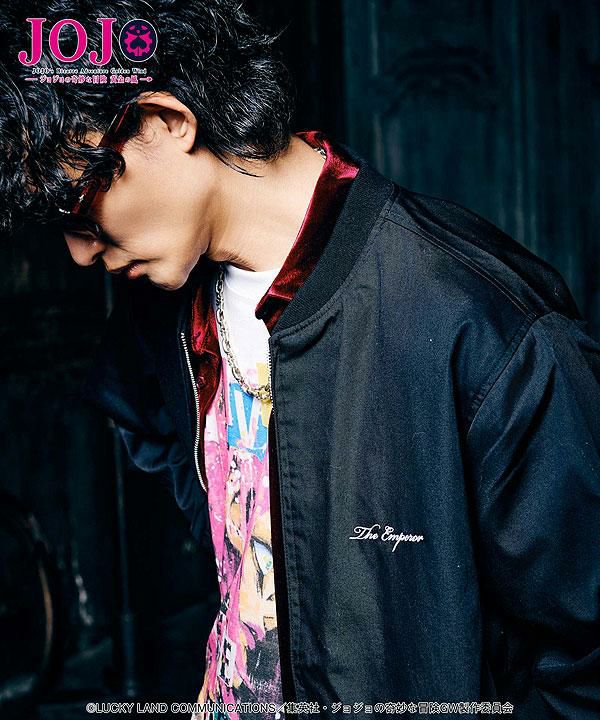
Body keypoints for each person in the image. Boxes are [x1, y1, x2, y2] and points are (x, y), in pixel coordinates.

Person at [1, 2, 599, 719]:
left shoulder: (482, 320)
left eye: (76, 204)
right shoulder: (159, 301)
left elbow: (583, 660)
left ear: (164, 122)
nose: (79, 252)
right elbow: (148, 423)